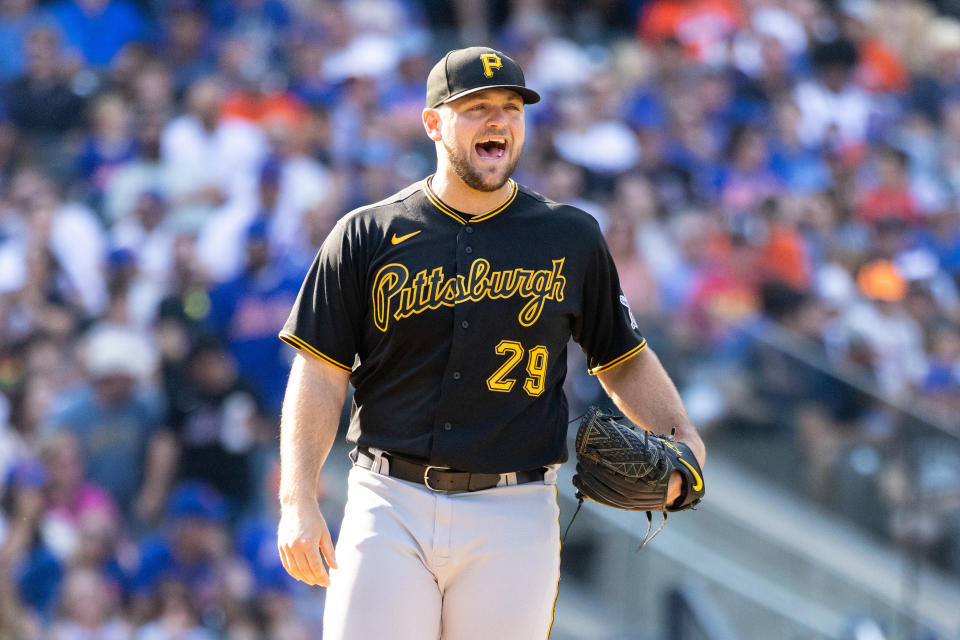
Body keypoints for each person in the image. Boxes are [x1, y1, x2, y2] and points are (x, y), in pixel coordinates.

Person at [276, 46, 706, 640]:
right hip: (389, 499)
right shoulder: (366, 234)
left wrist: (683, 435)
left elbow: (622, 359)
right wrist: (297, 499)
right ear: (433, 123)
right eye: (475, 107)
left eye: (511, 106)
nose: (498, 120)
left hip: (514, 511)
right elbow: (319, 374)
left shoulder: (569, 236)